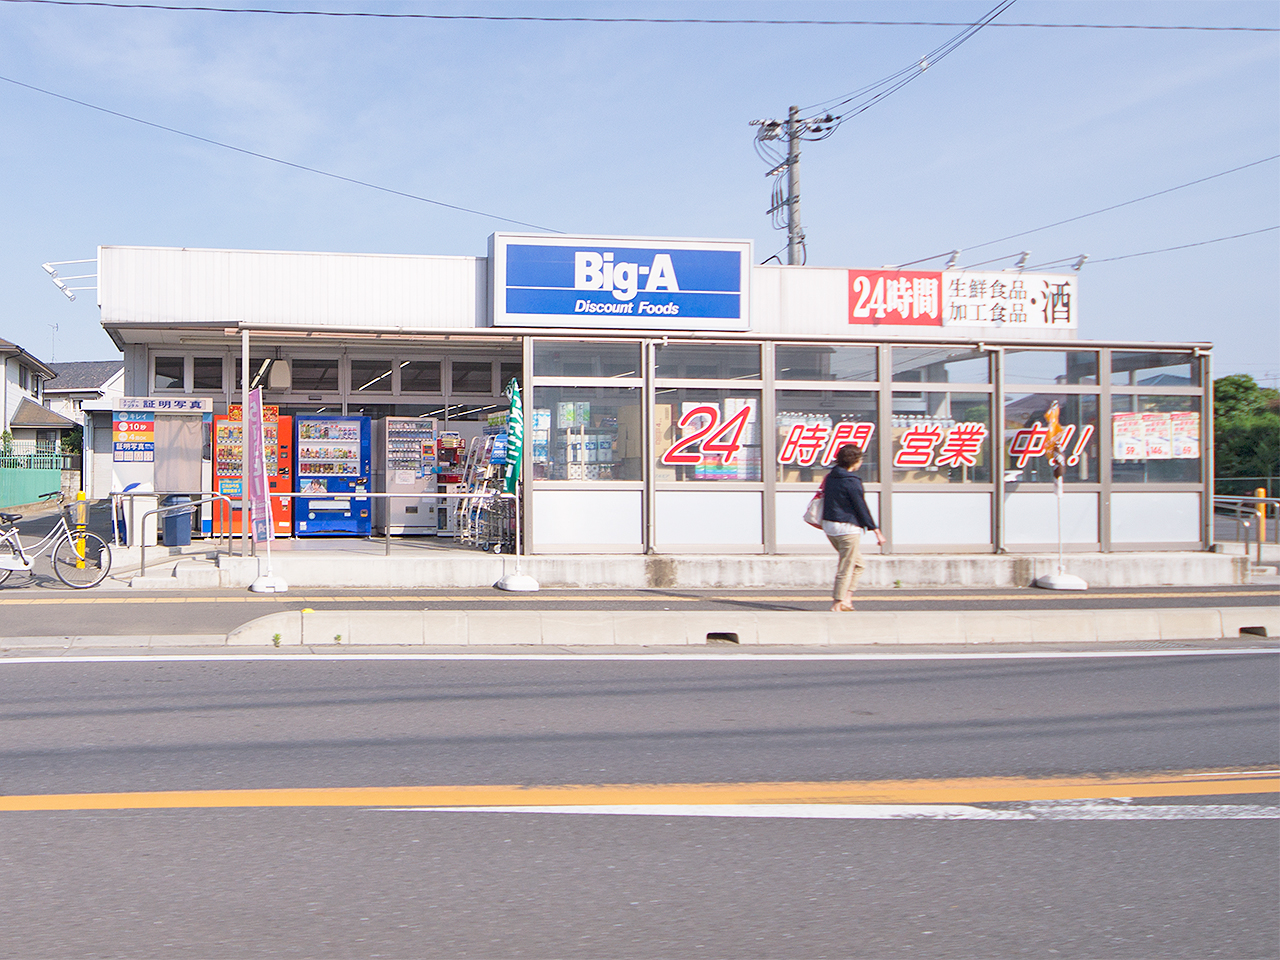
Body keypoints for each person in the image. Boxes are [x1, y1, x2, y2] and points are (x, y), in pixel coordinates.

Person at [821, 444, 885, 612]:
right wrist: (876, 531)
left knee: (858, 564)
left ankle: (847, 600)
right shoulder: (851, 481)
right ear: (855, 461)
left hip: (830, 527)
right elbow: (860, 507)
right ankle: (837, 603)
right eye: (860, 459)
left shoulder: (830, 477)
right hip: (847, 529)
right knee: (846, 566)